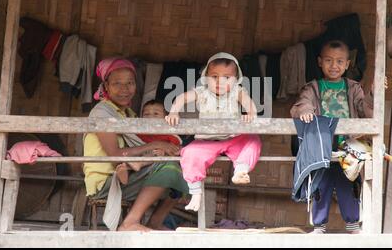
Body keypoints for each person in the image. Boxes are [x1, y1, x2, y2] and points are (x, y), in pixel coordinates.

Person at [83, 58, 188, 232]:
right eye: (117, 83)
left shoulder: (128, 114)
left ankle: (154, 222)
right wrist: (155, 145)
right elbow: (115, 154)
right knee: (168, 167)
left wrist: (160, 149)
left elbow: (140, 146)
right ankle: (129, 222)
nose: (125, 89)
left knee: (184, 172)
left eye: (130, 83)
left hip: (128, 172)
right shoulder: (102, 113)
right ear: (106, 86)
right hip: (107, 184)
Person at [290, 40, 377, 234]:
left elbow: (365, 109)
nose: (334, 65)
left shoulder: (353, 88)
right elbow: (303, 103)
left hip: (348, 149)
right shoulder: (312, 87)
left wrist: (373, 92)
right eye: (328, 60)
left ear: (347, 64)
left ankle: (353, 224)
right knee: (321, 186)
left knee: (349, 185)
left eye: (339, 61)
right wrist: (305, 110)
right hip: (323, 149)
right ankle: (319, 225)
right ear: (320, 62)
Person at [166, 52, 262, 211]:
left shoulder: (237, 91)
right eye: (214, 76)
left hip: (233, 138)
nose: (220, 82)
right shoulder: (201, 92)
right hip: (206, 141)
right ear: (205, 77)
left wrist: (250, 113)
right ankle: (195, 192)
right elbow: (182, 98)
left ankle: (241, 170)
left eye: (227, 77)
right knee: (189, 152)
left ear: (236, 79)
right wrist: (174, 112)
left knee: (253, 140)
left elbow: (248, 103)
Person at [115, 99, 183, 185]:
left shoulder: (169, 135)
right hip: (139, 161)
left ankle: (135, 165)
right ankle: (125, 171)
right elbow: (131, 140)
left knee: (156, 152)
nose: (151, 117)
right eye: (146, 114)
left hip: (158, 163)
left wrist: (164, 153)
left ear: (165, 118)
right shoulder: (139, 133)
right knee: (128, 156)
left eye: (156, 114)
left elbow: (175, 152)